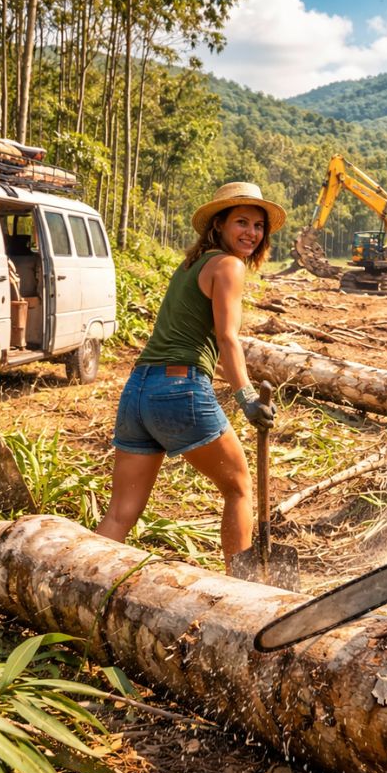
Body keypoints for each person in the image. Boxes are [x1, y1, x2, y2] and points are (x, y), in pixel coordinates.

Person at [95, 182, 282, 573]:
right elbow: (227, 338)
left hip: (138, 392)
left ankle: (80, 581)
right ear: (219, 224)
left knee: (120, 513)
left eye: (258, 226)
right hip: (178, 392)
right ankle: (242, 587)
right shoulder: (228, 266)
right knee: (239, 488)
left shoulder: (190, 266)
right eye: (242, 222)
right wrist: (247, 398)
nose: (251, 233)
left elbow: (200, 341)